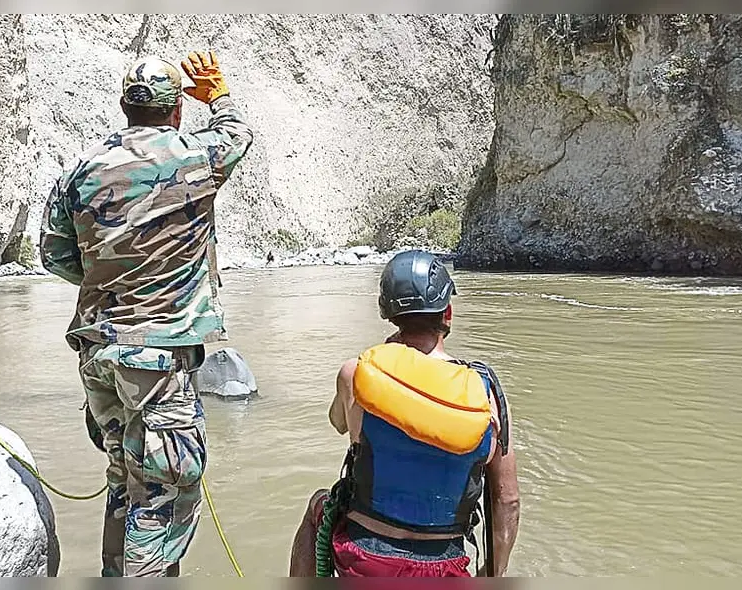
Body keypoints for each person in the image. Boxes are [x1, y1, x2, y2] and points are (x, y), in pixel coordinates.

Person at [39, 51, 253, 577]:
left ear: (123, 106)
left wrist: (112, 280)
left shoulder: (82, 169)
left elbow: (54, 255)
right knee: (165, 490)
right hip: (158, 355)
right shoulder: (197, 157)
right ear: (177, 109)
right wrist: (218, 94)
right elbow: (238, 134)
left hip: (99, 350)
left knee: (124, 475)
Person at [289, 249, 521, 577]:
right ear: (448, 313)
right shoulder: (486, 393)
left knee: (318, 503)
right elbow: (507, 501)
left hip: (364, 555)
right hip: (444, 564)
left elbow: (337, 422)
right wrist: (489, 575)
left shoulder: (356, 373)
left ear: (389, 316)